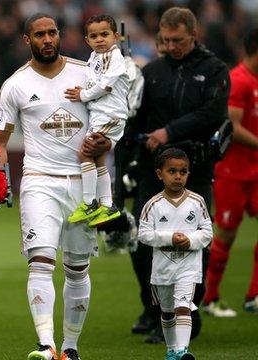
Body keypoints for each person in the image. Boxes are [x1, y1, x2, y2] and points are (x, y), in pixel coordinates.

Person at [0, 13, 112, 360]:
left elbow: (110, 123)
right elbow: (0, 139)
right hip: (39, 181)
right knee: (40, 261)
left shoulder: (87, 74)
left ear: (60, 35)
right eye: (39, 34)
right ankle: (46, 344)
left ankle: (71, 347)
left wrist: (105, 142)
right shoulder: (15, 84)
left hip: (83, 182)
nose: (48, 39)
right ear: (27, 40)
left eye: (52, 33)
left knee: (77, 268)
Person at [128, 7, 229, 343]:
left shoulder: (214, 70)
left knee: (195, 242)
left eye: (178, 40)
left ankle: (184, 310)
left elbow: (213, 113)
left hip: (195, 169)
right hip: (152, 170)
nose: (171, 46)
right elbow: (136, 119)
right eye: (166, 40)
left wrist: (168, 132)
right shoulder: (152, 72)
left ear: (193, 35)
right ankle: (152, 306)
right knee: (142, 242)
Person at [203, 28, 258, 317]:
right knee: (225, 235)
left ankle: (254, 295)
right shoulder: (239, 80)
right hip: (233, 172)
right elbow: (233, 127)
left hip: (255, 170)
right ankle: (210, 298)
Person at [138, 148, 212, 360]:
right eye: (172, 171)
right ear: (160, 174)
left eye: (183, 171)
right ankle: (171, 350)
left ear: (189, 173)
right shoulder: (153, 205)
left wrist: (191, 240)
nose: (178, 176)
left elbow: (207, 232)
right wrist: (170, 238)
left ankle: (182, 351)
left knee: (183, 307)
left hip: (188, 266)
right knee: (168, 311)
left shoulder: (197, 202)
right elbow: (143, 235)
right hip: (162, 269)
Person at [64, 14, 130, 227]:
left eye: (105, 34)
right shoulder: (94, 58)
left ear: (116, 36)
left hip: (111, 114)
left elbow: (106, 86)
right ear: (87, 40)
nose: (100, 39)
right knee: (98, 157)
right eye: (94, 36)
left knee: (84, 152)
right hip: (100, 114)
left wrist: (82, 95)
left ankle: (89, 202)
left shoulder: (114, 56)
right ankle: (107, 205)